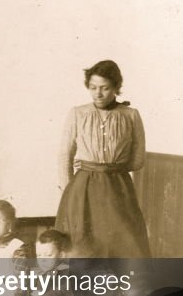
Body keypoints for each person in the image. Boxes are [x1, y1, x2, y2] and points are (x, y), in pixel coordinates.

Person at [56, 60, 150, 258]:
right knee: (82, 245)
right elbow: (65, 154)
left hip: (118, 188)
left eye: (105, 88)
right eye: (92, 87)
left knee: (123, 243)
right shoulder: (77, 113)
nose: (98, 93)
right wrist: (69, 191)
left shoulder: (131, 115)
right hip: (83, 190)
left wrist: (113, 168)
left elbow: (138, 159)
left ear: (116, 87)